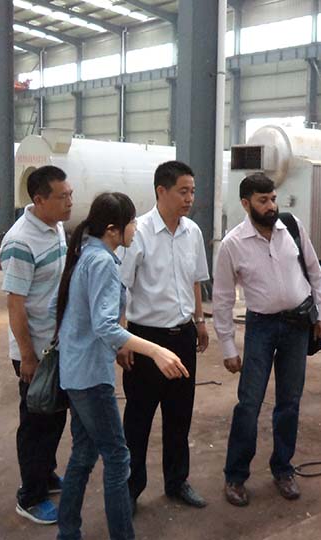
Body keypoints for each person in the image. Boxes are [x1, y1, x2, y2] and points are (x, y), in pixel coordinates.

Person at [54, 192, 189, 540]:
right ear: (113, 230)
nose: (135, 229)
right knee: (117, 459)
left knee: (84, 454)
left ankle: (68, 532)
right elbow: (104, 325)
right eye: (131, 224)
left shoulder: (88, 254)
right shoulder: (101, 262)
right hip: (89, 378)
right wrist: (156, 351)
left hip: (76, 371)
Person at [212, 172, 321, 507]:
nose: (271, 206)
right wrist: (228, 347)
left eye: (273, 199)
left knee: (289, 402)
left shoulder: (291, 227)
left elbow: (315, 271)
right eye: (263, 200)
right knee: (249, 404)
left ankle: (283, 469)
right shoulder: (233, 244)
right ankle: (235, 476)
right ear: (245, 203)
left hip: (297, 327)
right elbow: (222, 299)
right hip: (261, 328)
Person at [119, 161, 210, 510]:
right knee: (138, 419)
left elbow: (195, 279)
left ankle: (177, 481)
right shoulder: (138, 233)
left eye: (192, 191)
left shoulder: (193, 232)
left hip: (182, 337)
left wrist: (200, 321)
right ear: (161, 191)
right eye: (183, 191)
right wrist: (122, 339)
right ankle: (131, 488)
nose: (190, 198)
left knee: (179, 415)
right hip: (146, 341)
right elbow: (121, 287)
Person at [0, 165, 72, 524]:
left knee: (54, 415)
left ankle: (44, 473)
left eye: (70, 194)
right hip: (36, 350)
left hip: (55, 345)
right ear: (39, 200)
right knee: (36, 423)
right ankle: (30, 496)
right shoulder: (20, 242)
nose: (69, 202)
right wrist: (27, 357)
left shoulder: (54, 226)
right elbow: (15, 304)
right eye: (62, 197)